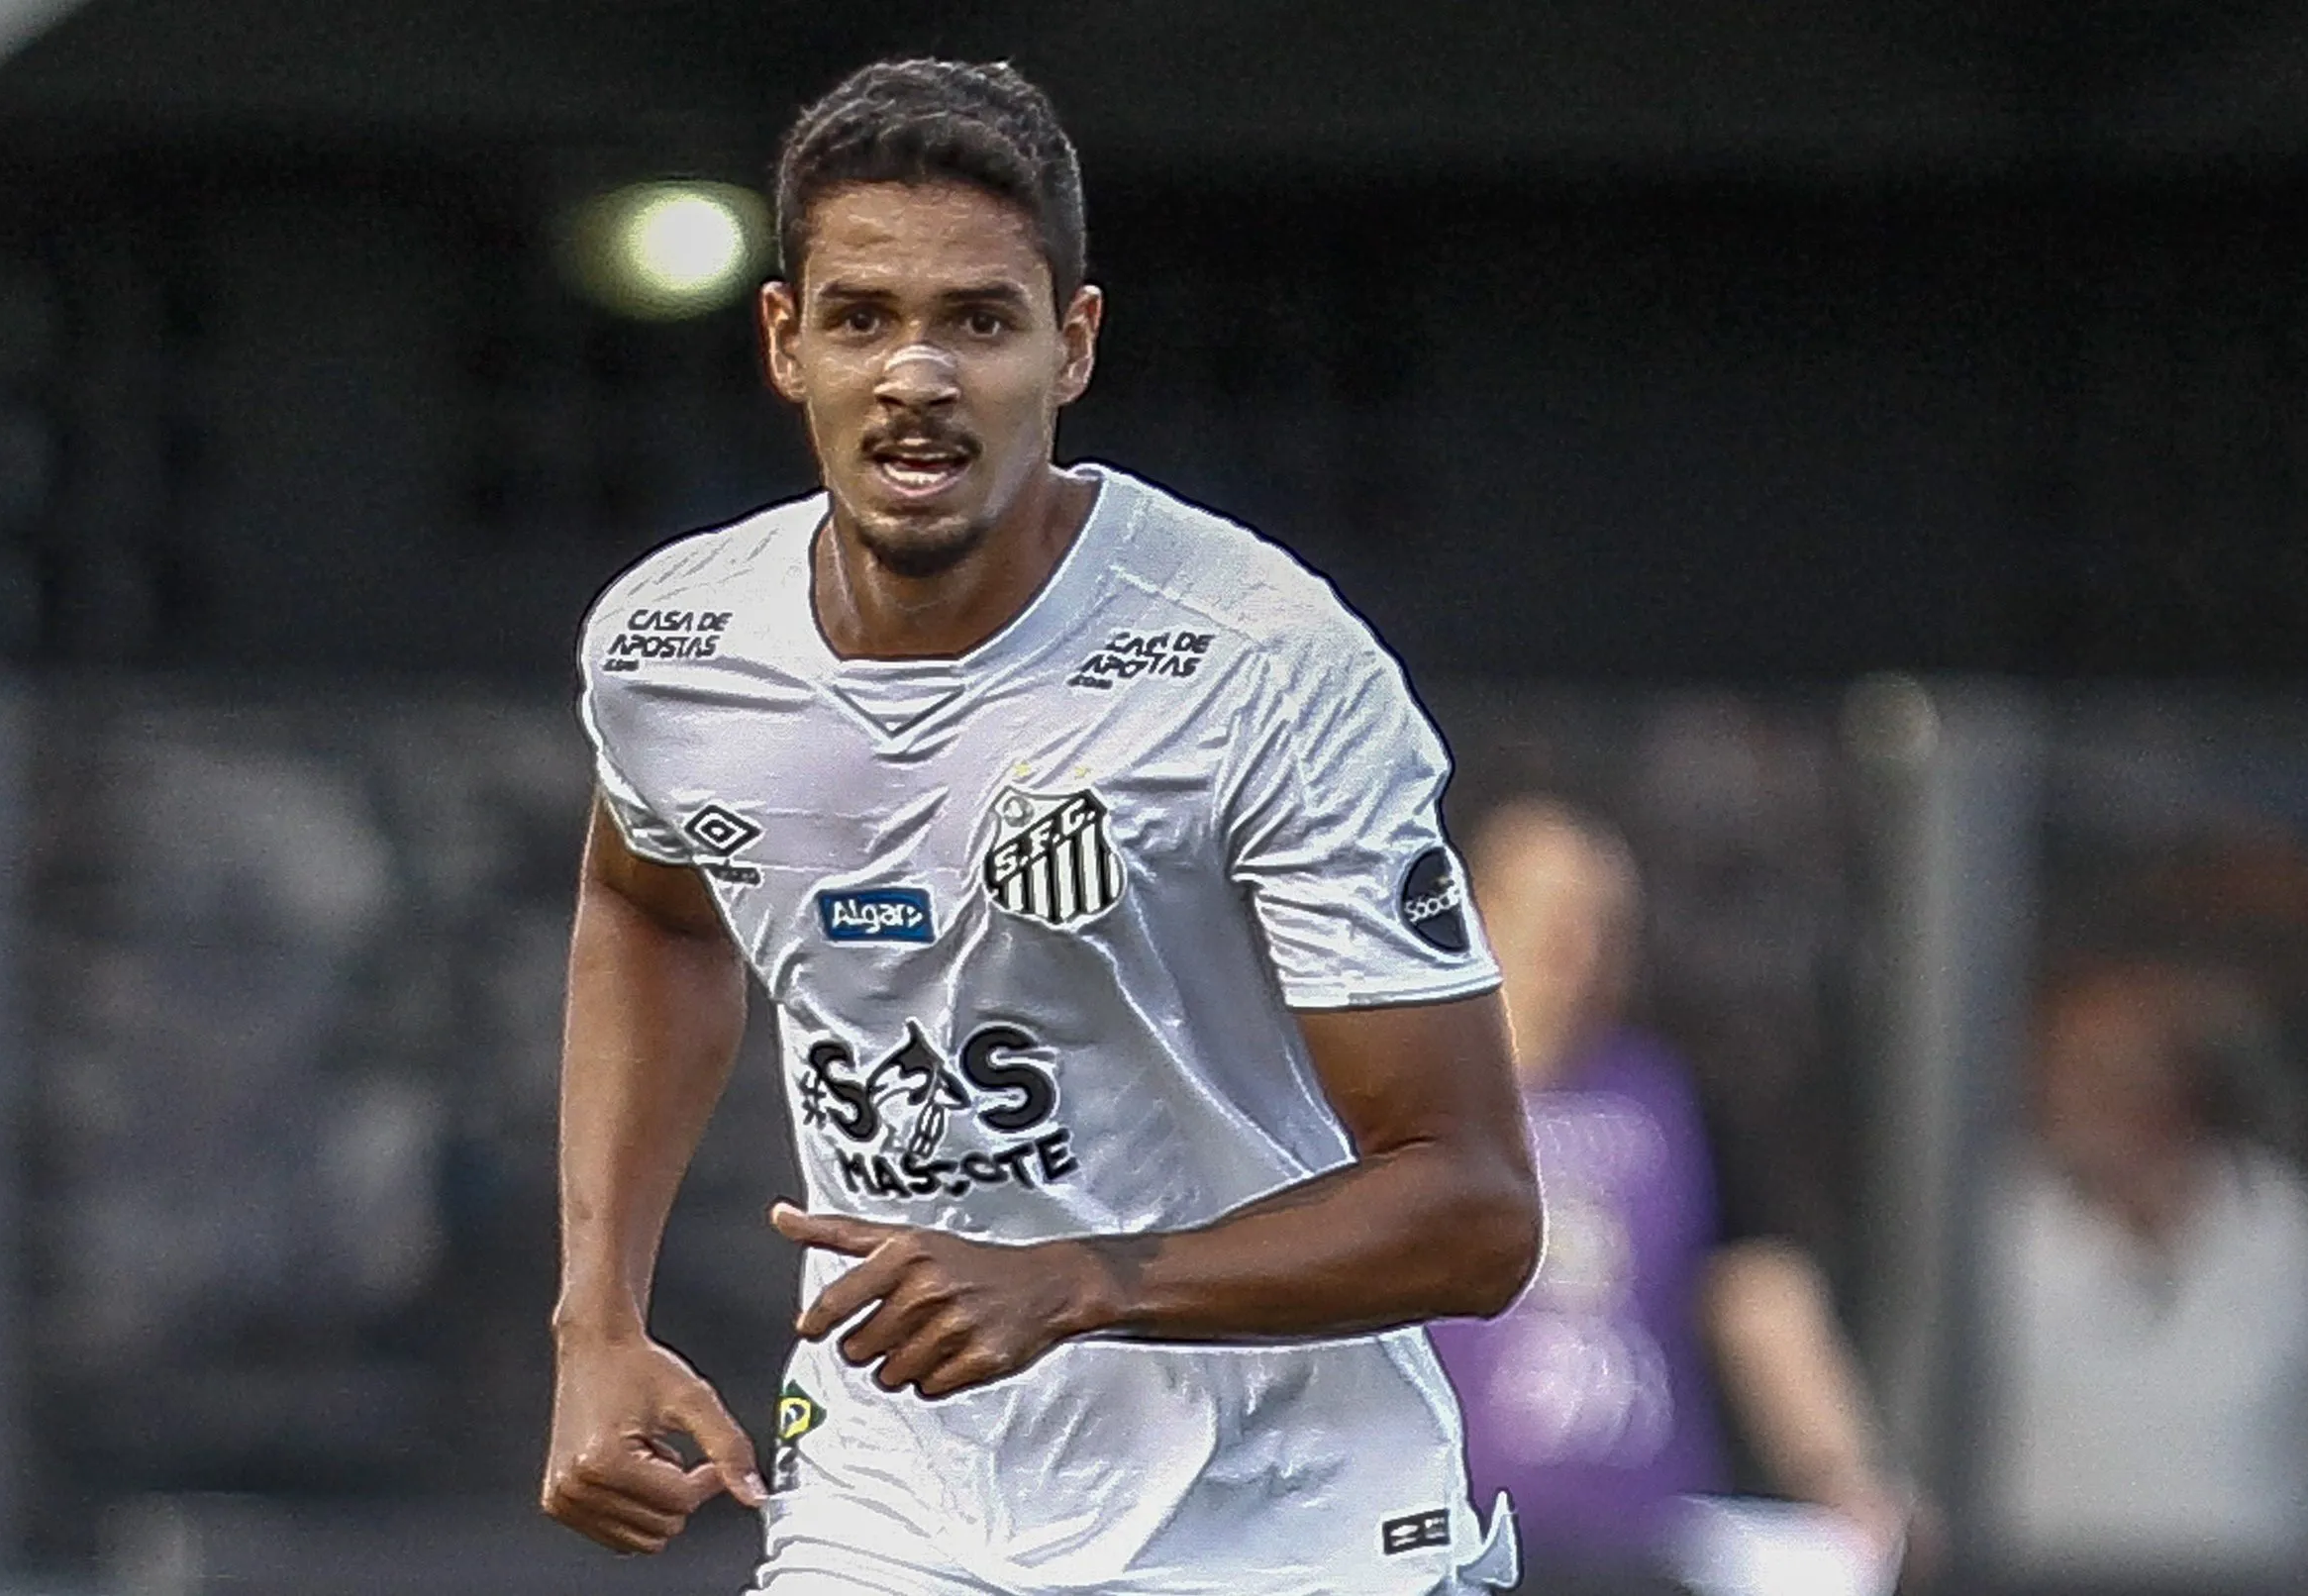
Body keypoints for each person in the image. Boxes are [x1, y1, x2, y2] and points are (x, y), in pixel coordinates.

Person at [542, 57, 1542, 1596]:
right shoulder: (672, 649)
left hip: (1285, 1520)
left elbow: (1474, 1211)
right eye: (864, 317)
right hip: (899, 1503)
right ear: (783, 342)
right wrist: (597, 1315)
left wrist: (1076, 1281)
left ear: (1071, 348)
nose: (917, 377)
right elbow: (652, 909)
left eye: (979, 321)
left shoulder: (1261, 659)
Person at [1428, 798, 1909, 1590]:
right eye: (1551, 916)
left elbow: (1759, 1299)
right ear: (1479, 914)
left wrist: (1839, 1473)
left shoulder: (1679, 1101)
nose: (1575, 949)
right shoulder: (1394, 1102)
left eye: (1603, 924)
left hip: (1647, 1545)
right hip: (1449, 1545)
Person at [1981, 956, 2308, 1585]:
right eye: (2057, 1067)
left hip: (2267, 1576)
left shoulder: (2282, 1220)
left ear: (2177, 1088)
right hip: (2048, 1579)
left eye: (2103, 1070)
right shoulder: (2000, 1230)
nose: (2065, 1093)